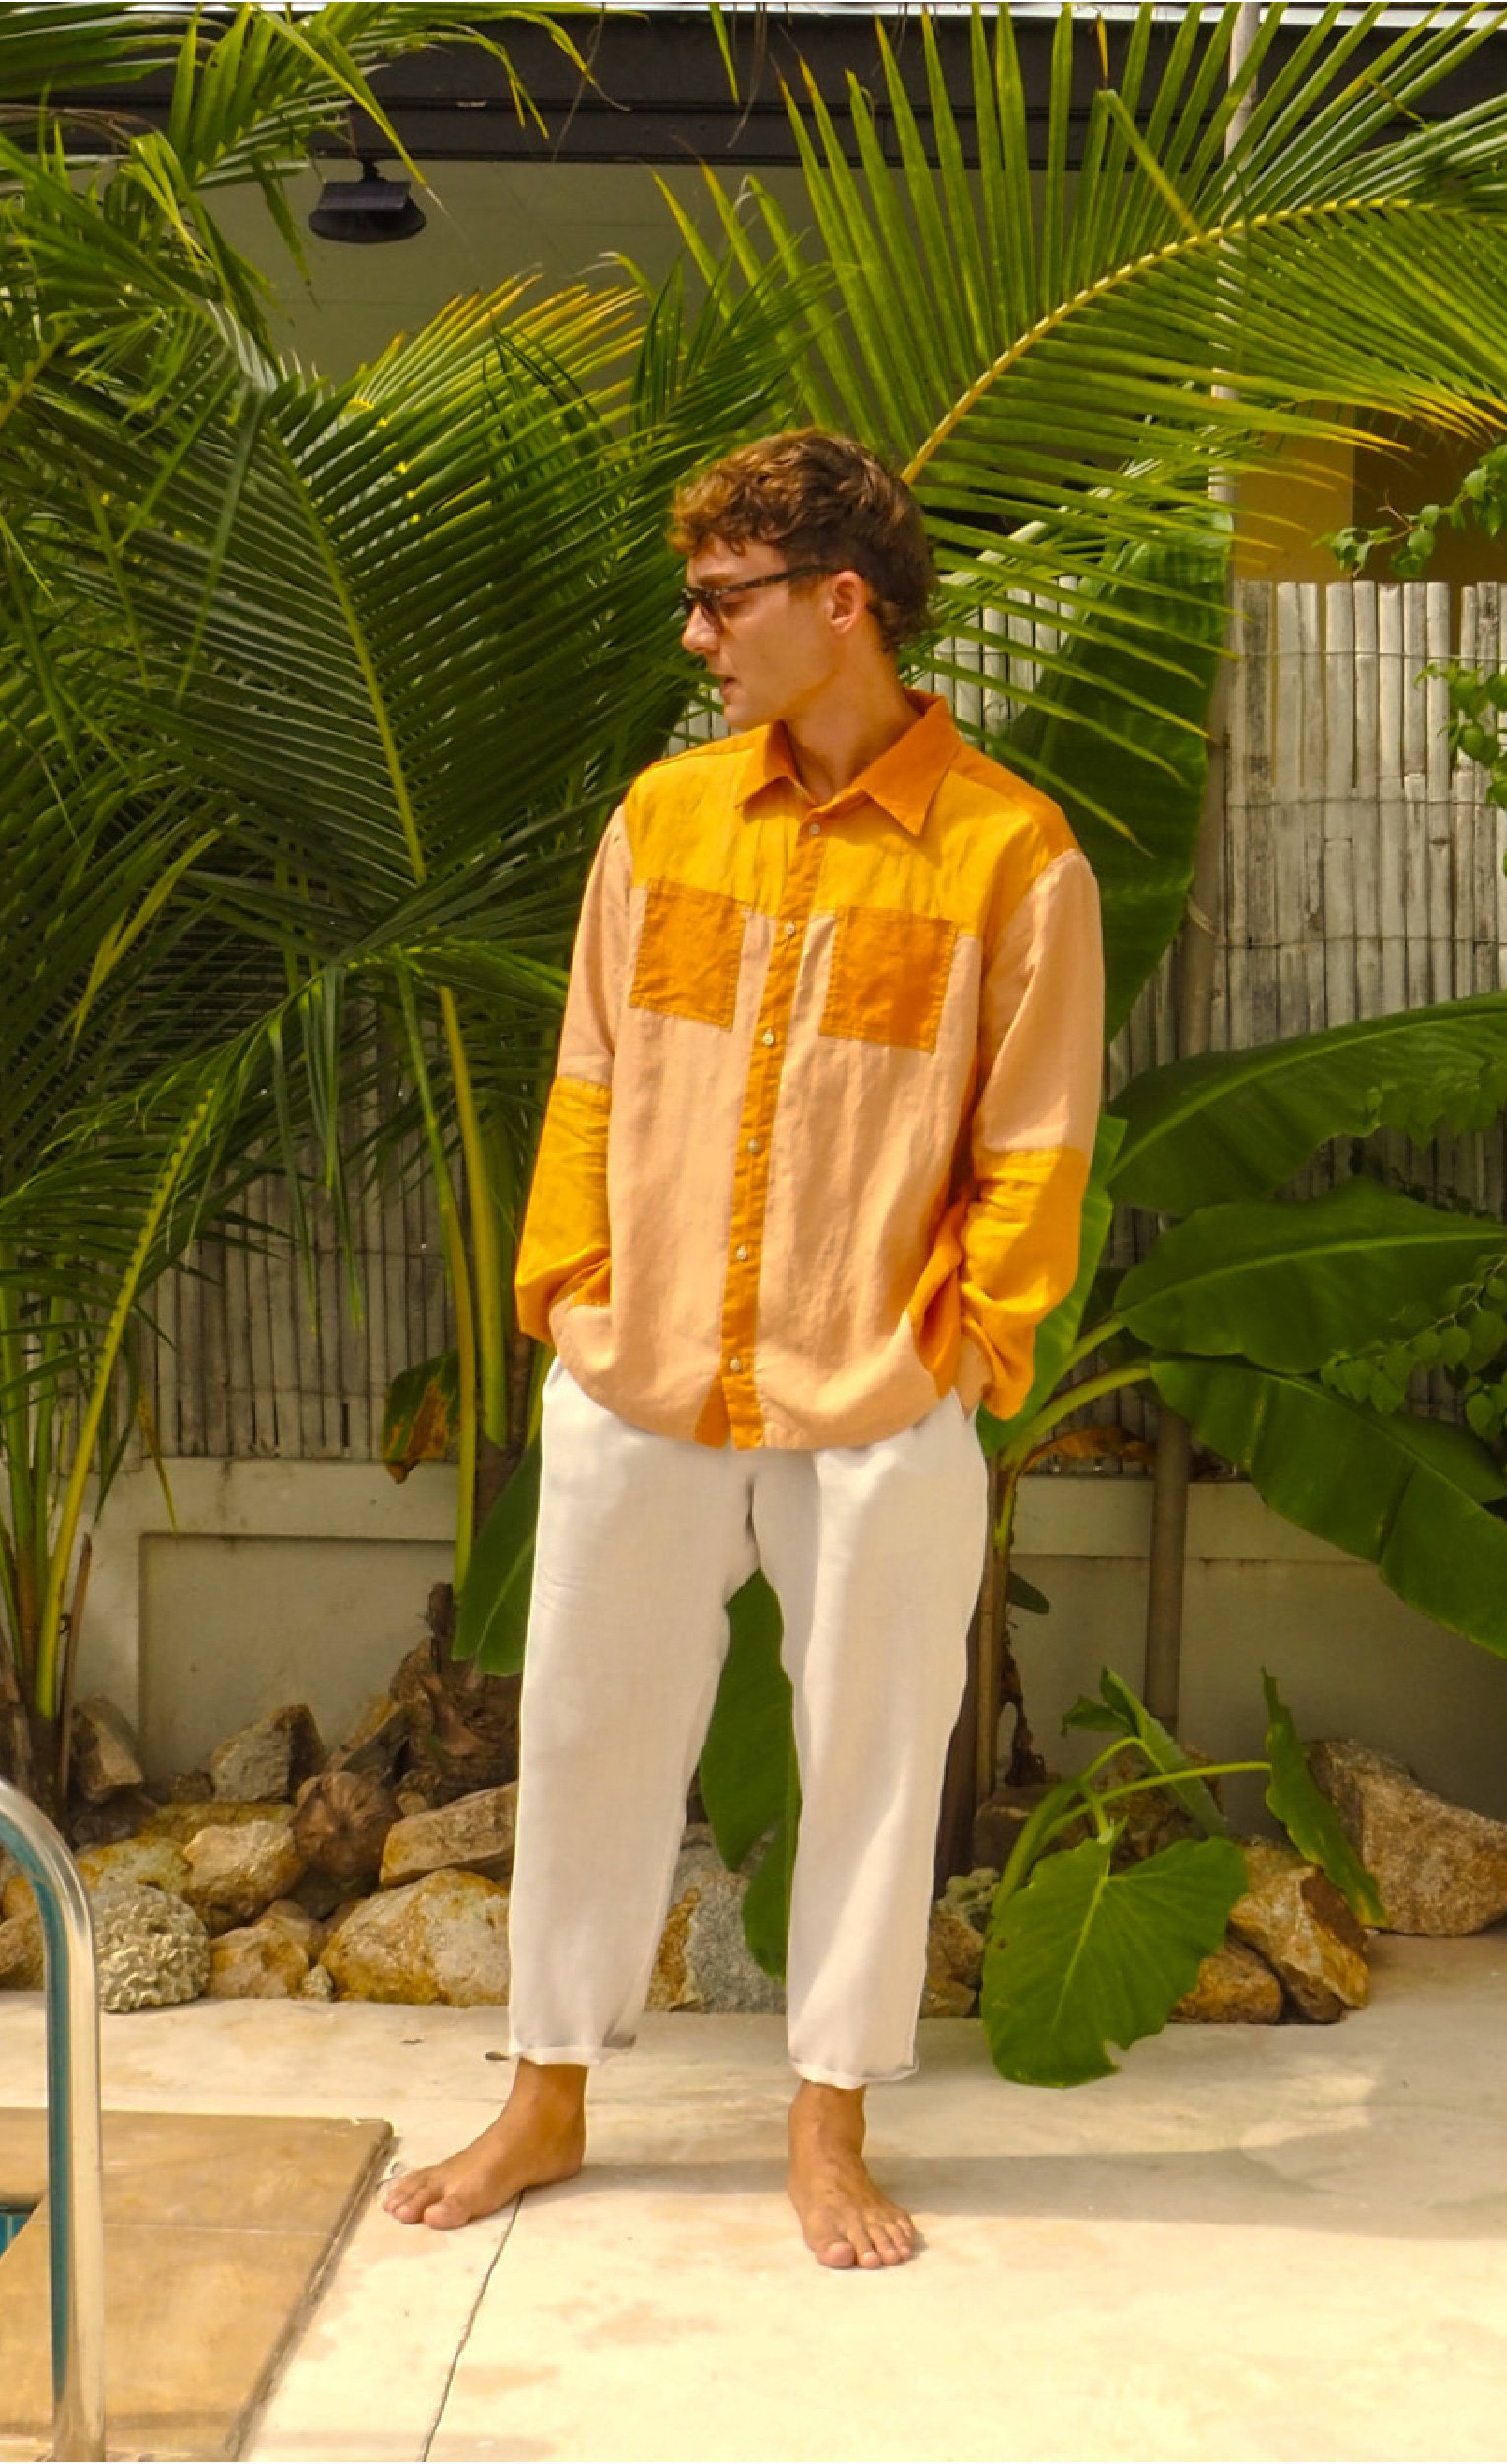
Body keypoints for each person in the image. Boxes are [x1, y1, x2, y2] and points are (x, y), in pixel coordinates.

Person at [384, 429, 1103, 2270]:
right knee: (589, 1731)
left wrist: (961, 1352)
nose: (697, 640)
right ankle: (543, 2100)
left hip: (878, 1394)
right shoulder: (662, 818)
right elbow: (590, 1075)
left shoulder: (1017, 858)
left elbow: (1035, 1147)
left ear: (836, 602)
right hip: (645, 1376)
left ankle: (829, 2130)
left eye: (721, 602)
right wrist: (571, 1292)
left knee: (875, 1758)